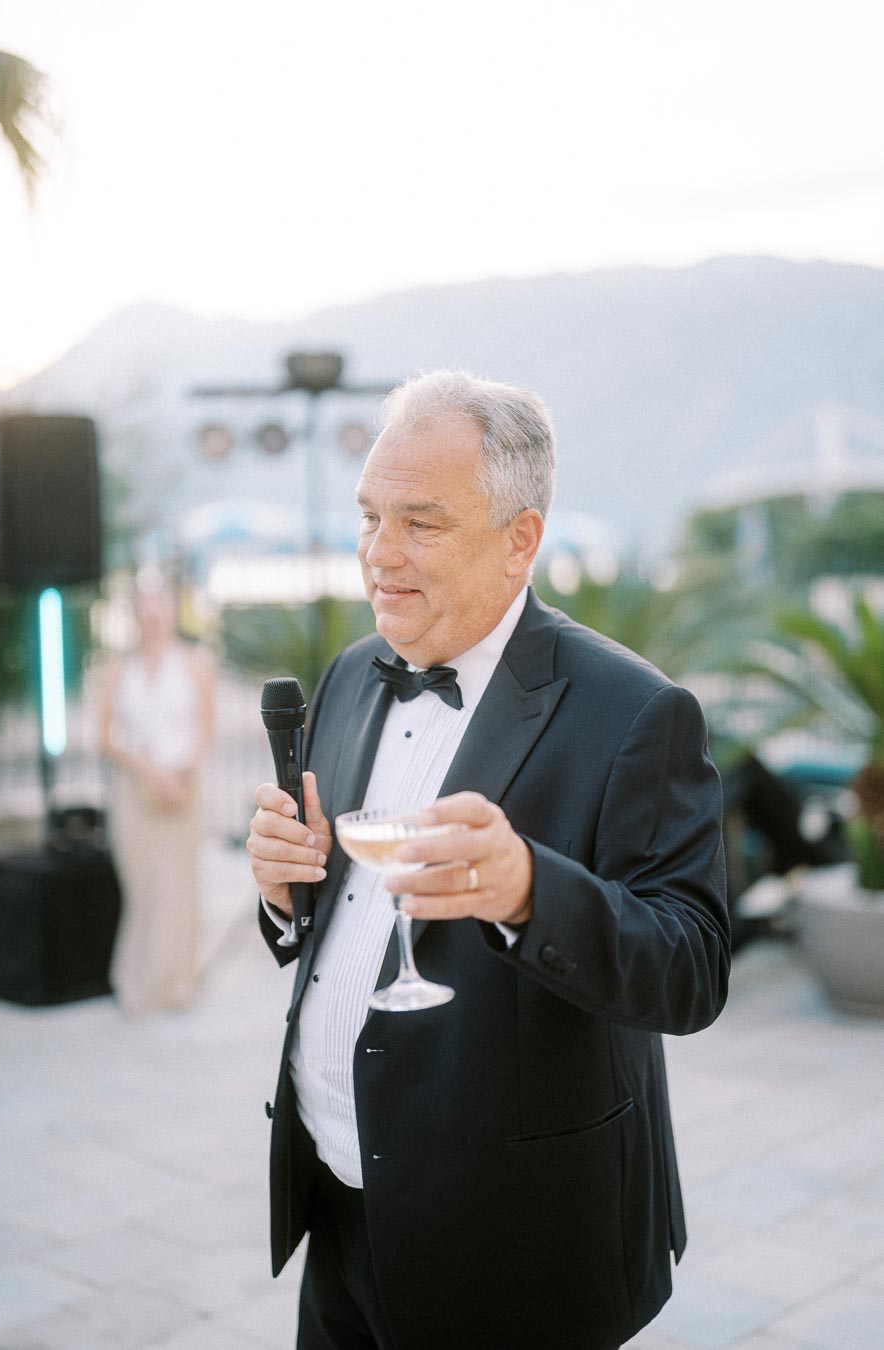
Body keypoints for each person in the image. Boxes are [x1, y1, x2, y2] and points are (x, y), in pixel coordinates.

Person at [247, 371, 729, 1350]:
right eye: (370, 516)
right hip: (339, 1210)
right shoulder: (351, 673)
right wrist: (282, 894)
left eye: (420, 523)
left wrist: (528, 892)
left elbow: (693, 968)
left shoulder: (635, 712)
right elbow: (337, 916)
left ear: (521, 539)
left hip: (516, 1243)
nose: (379, 556)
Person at [99, 576, 215, 1013]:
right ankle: (136, 980)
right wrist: (148, 771)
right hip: (134, 788)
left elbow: (207, 730)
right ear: (134, 615)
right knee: (143, 885)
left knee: (178, 884)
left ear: (171, 611)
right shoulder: (118, 668)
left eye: (159, 607)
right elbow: (106, 734)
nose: (152, 616)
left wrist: (177, 774)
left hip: (183, 783)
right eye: (144, 608)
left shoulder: (194, 663)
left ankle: (177, 982)